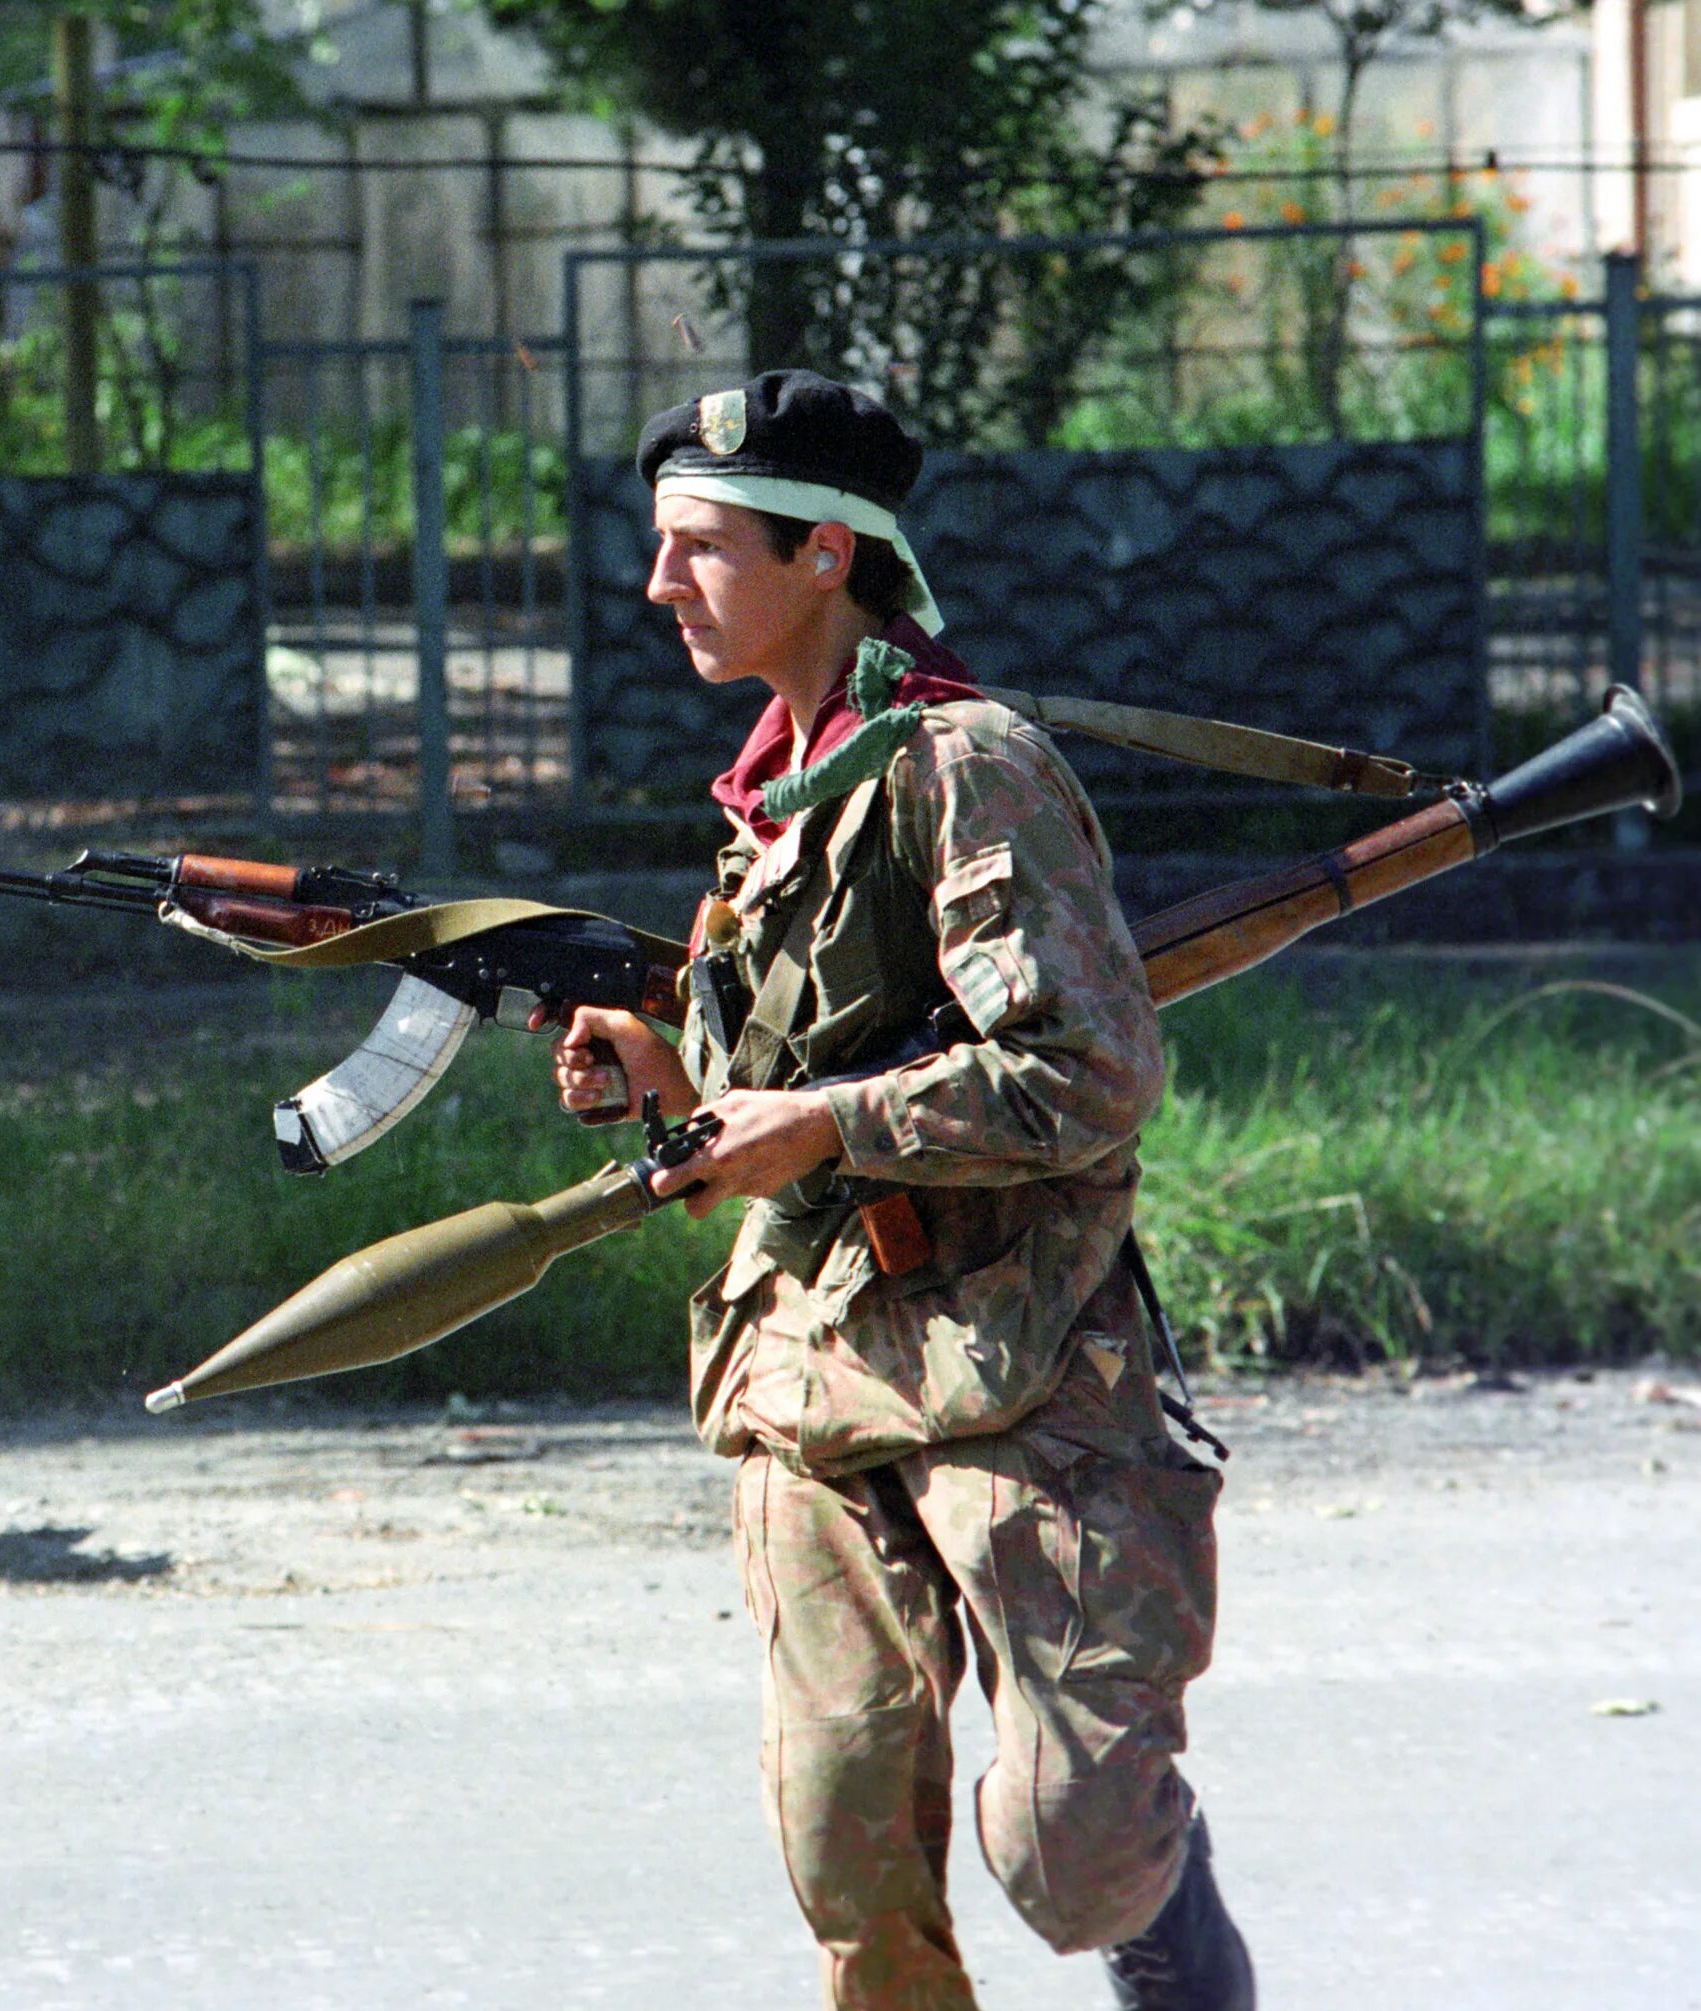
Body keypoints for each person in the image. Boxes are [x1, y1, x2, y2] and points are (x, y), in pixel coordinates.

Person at [543, 371, 1252, 2011]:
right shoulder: (769, 802)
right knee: (846, 1845)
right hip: (813, 1368)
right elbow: (756, 1106)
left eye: (702, 548)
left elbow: (1091, 1075)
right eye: (663, 548)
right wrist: (666, 1082)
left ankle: (1162, 1905)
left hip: (1022, 1365)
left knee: (1071, 1851)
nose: (660, 586)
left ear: (823, 559)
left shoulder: (964, 767)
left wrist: (827, 1124)